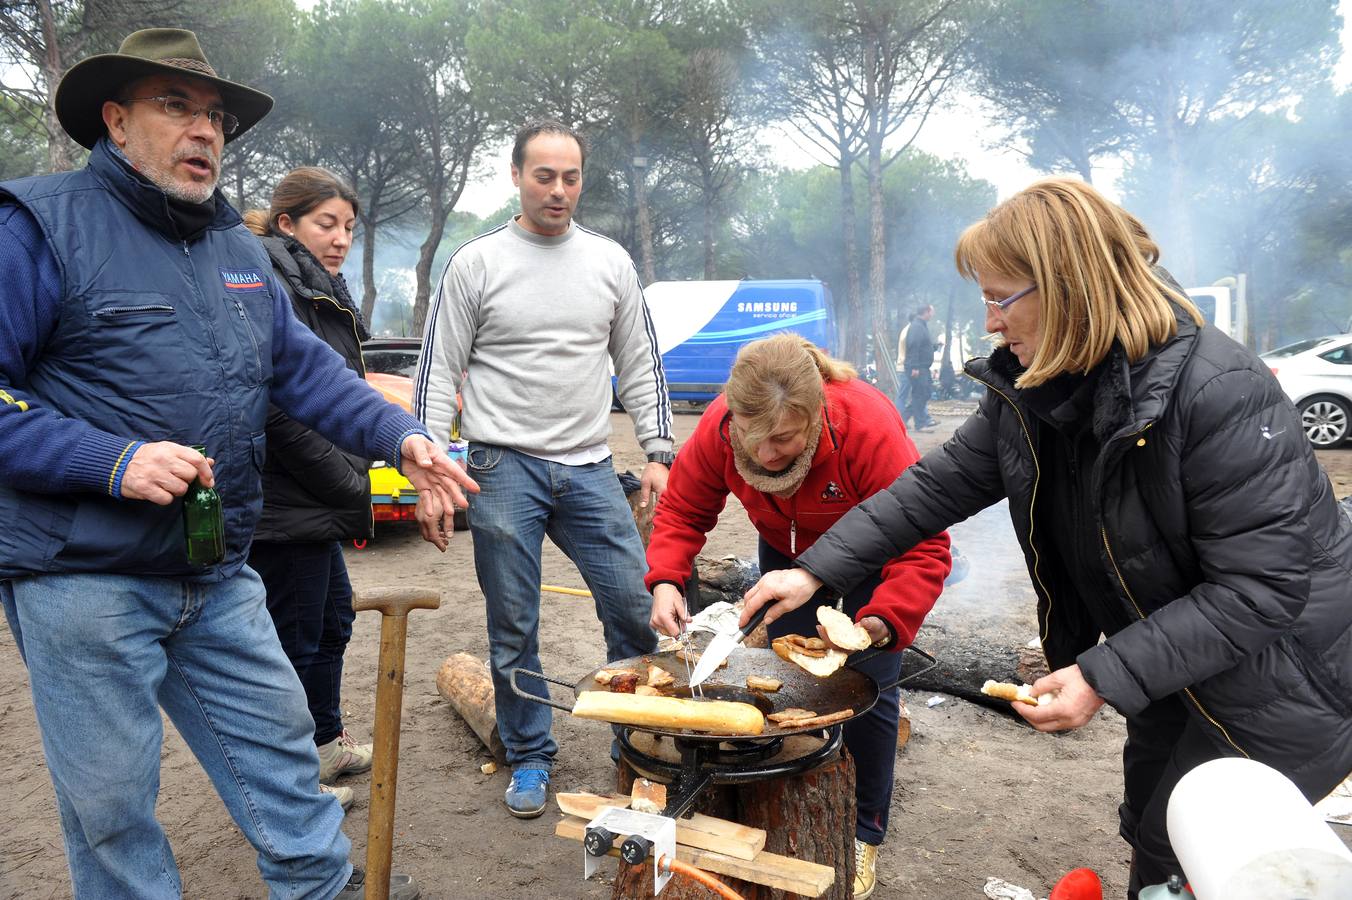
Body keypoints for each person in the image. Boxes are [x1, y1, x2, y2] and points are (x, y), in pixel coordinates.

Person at [740, 178, 1352, 898]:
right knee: (1153, 838)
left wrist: (1099, 675)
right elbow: (935, 486)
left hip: (1283, 681)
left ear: (1069, 287)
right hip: (1177, 666)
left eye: (1001, 297)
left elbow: (1262, 588)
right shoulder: (1042, 387)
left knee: (1198, 866)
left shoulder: (1218, 390)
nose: (991, 323)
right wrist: (812, 572)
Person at [0, 29, 475, 899]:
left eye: (214, 115)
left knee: (287, 764)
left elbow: (306, 376)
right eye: (174, 106)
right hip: (83, 578)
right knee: (110, 813)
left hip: (218, 571)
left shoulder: (233, 248)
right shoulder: (37, 228)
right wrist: (111, 461)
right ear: (115, 120)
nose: (205, 131)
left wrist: (401, 440)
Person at [414, 119, 672, 819]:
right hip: (503, 469)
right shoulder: (476, 263)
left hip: (590, 467)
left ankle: (639, 744)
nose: (559, 191)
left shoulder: (610, 263)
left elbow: (640, 362)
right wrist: (428, 464)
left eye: (571, 177)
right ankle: (529, 755)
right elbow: (438, 371)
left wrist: (657, 452)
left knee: (630, 607)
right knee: (514, 621)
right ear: (517, 177)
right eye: (544, 176)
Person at [645, 333, 951, 899]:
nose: (764, 456)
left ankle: (863, 833)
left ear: (815, 416)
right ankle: (790, 802)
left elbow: (923, 545)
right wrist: (665, 577)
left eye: (783, 438)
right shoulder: (721, 423)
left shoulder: (866, 425)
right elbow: (685, 507)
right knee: (791, 688)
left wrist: (881, 622)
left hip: (874, 554)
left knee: (867, 690)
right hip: (784, 558)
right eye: (752, 438)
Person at [242, 167, 373, 813]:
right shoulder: (268, 280)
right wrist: (347, 479)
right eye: (327, 223)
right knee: (291, 637)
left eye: (349, 226)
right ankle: (292, 783)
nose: (341, 238)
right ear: (286, 223)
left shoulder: (319, 285)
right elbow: (278, 407)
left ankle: (324, 741)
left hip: (311, 505)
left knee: (332, 619)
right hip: (280, 502)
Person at [903, 303, 938, 430]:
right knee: (920, 394)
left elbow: (923, 346)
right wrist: (914, 367)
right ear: (926, 312)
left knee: (925, 393)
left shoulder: (922, 326)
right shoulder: (917, 326)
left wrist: (933, 347)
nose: (933, 314)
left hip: (923, 367)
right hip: (917, 368)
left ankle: (902, 418)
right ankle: (920, 424)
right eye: (932, 311)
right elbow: (913, 346)